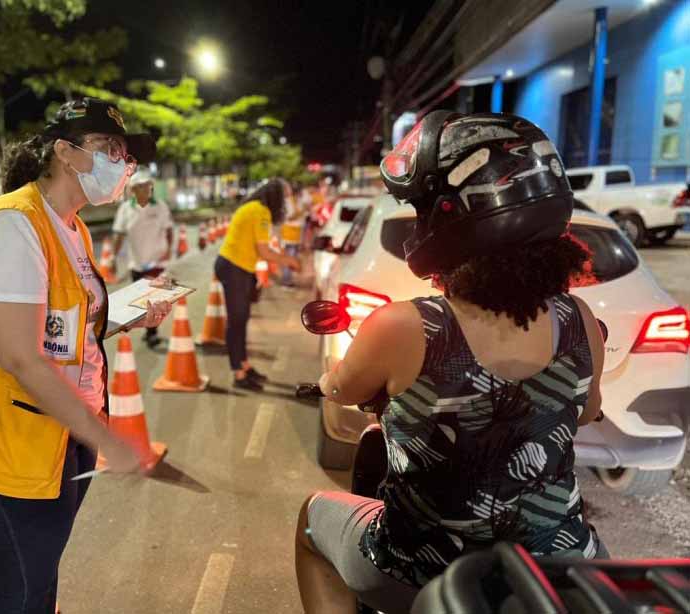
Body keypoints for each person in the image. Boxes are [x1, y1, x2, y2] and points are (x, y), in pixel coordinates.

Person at [295, 111, 609, 614]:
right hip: (560, 568)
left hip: (424, 570)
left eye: (424, 209)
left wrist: (327, 379)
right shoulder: (580, 318)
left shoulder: (404, 326)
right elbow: (588, 410)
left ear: (452, 215)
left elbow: (342, 389)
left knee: (312, 520)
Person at [0, 97, 172, 614]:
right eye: (109, 148)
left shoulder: (73, 227)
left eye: (125, 155)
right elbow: (21, 357)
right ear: (65, 151)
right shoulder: (13, 224)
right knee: (24, 589)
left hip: (58, 442)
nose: (123, 164)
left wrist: (128, 315)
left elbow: (62, 327)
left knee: (39, 580)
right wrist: (107, 438)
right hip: (3, 447)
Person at [215, 178, 301, 391]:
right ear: (276, 196)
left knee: (242, 319)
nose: (286, 203)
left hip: (241, 268)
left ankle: (244, 364)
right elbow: (264, 251)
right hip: (234, 267)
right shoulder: (260, 212)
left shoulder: (254, 207)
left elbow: (261, 248)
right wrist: (288, 261)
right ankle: (238, 373)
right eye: (285, 197)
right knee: (236, 321)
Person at [111, 169, 174, 348]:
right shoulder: (125, 209)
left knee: (155, 299)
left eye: (148, 185)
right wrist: (113, 257)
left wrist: (169, 249)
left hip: (158, 262)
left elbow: (169, 229)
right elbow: (118, 234)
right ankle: (146, 328)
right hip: (137, 263)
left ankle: (152, 333)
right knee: (141, 300)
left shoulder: (160, 206)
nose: (146, 189)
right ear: (133, 190)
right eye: (141, 186)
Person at [279, 184, 305, 287]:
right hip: (288, 233)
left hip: (295, 234)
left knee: (291, 257)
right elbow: (289, 217)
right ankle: (286, 280)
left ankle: (287, 279)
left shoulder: (299, 202)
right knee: (289, 257)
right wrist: (299, 213)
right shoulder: (288, 202)